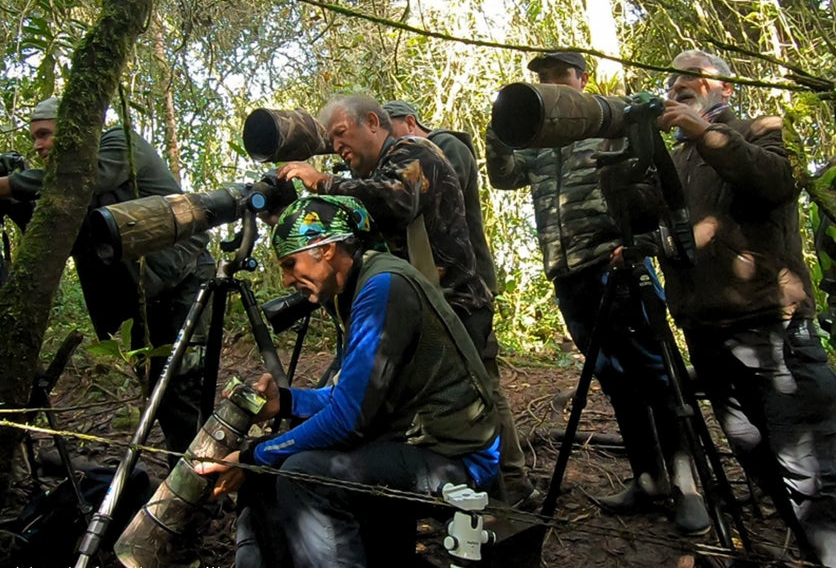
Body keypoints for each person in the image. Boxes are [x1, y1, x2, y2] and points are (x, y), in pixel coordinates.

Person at [197, 195, 500, 567]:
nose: (288, 279)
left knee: (301, 473)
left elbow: (348, 419)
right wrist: (287, 402)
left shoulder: (383, 285)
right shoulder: (358, 286)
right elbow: (350, 395)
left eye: (291, 264)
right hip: (411, 443)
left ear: (325, 250)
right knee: (263, 475)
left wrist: (253, 456)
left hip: (457, 457)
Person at [486, 51, 709, 534]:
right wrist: (499, 125)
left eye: (559, 75)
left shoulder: (609, 120)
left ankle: (687, 487)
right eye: (543, 78)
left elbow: (654, 186)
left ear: (583, 79)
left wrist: (636, 244)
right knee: (613, 378)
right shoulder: (540, 143)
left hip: (616, 267)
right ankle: (648, 479)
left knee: (654, 376)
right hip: (568, 275)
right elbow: (504, 177)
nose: (550, 83)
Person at [658, 49, 836, 565]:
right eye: (674, 80)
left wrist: (704, 132)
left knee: (812, 475)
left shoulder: (763, 128)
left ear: (725, 89)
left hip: (770, 328)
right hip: (707, 331)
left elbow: (772, 182)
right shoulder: (674, 160)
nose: (680, 85)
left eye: (693, 76)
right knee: (755, 457)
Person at [0, 97, 213, 457]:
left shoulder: (121, 144)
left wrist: (1, 185)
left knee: (182, 384)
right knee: (161, 389)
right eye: (34, 138)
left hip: (183, 278)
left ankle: (206, 477)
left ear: (74, 130)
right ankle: (188, 470)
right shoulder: (57, 184)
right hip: (140, 292)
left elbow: (84, 178)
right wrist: (13, 204)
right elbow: (56, 236)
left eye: (46, 134)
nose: (38, 146)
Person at [383, 99, 535, 506]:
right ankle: (483, 478)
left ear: (411, 123)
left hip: (467, 291)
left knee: (482, 382)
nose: (387, 144)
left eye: (390, 129)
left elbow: (419, 194)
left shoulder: (445, 148)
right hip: (439, 291)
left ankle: (512, 480)